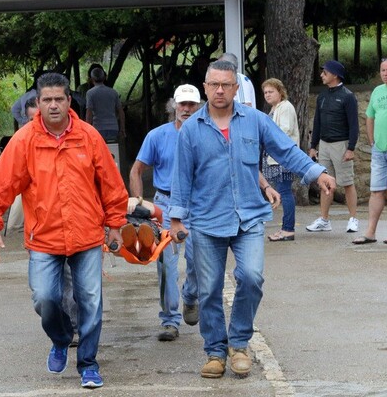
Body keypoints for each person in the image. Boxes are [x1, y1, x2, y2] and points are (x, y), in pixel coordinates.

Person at [168, 60, 335, 379]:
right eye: (214, 84)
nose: (219, 90)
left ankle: (239, 342)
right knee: (210, 288)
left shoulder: (255, 121)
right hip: (206, 220)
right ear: (205, 87)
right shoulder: (191, 129)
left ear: (235, 88)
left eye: (226, 85)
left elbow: (286, 150)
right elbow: (181, 177)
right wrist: (177, 219)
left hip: (248, 217)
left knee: (252, 277)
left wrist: (317, 173)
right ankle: (215, 351)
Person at [0, 72, 127, 389]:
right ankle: (59, 338)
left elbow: (111, 184)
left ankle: (88, 364)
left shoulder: (89, 137)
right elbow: (0, 185)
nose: (54, 105)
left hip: (86, 236)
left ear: (69, 101)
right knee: (45, 298)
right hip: (44, 238)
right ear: (38, 103)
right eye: (47, 100)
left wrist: (115, 224)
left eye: (59, 99)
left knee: (90, 301)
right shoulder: (24, 141)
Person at [129, 84, 202, 341]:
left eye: (192, 104)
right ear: (173, 106)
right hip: (165, 206)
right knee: (166, 265)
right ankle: (170, 320)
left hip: (197, 205)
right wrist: (139, 203)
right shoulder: (158, 136)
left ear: (199, 106)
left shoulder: (207, 134)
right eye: (182, 104)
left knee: (197, 262)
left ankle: (191, 297)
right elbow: (137, 170)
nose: (187, 109)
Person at [353, 57, 387, 245]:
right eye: (383, 70)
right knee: (376, 191)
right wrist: (372, 140)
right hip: (379, 149)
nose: (385, 73)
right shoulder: (377, 91)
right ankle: (370, 232)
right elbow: (370, 116)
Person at [307, 60, 360, 233]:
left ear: (335, 75)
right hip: (324, 144)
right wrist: (313, 146)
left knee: (347, 182)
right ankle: (324, 220)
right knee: (325, 182)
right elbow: (317, 122)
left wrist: (351, 148)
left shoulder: (348, 96)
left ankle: (353, 219)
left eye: (325, 72)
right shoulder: (322, 96)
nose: (321, 75)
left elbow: (354, 125)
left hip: (341, 144)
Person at [261, 78, 300, 241]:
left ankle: (288, 229)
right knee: (283, 191)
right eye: (265, 92)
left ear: (280, 92)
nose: (267, 95)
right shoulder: (274, 109)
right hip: (276, 158)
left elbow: (284, 130)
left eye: (271, 91)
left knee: (284, 192)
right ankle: (285, 227)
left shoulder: (285, 107)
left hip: (284, 157)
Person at [85, 68, 126, 141]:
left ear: (91, 79)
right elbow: (121, 112)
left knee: (99, 151)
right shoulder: (113, 92)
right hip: (113, 128)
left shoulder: (90, 93)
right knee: (112, 151)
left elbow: (89, 113)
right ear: (104, 77)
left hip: (98, 128)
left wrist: (87, 130)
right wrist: (122, 128)